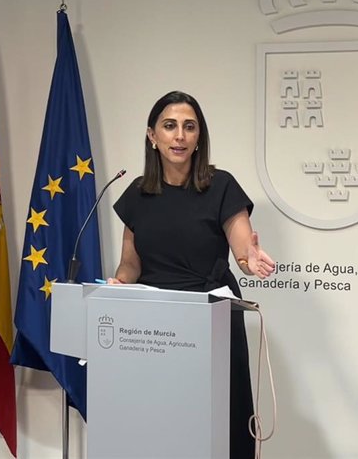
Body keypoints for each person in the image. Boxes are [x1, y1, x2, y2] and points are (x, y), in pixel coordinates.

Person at [109, 90, 275, 458]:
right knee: (161, 427)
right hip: (153, 328)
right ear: (152, 136)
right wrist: (119, 285)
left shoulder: (221, 186)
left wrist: (252, 258)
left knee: (216, 427)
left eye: (189, 127)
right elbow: (131, 264)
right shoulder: (137, 193)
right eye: (170, 126)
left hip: (211, 319)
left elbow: (243, 253)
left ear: (200, 136)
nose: (180, 136)